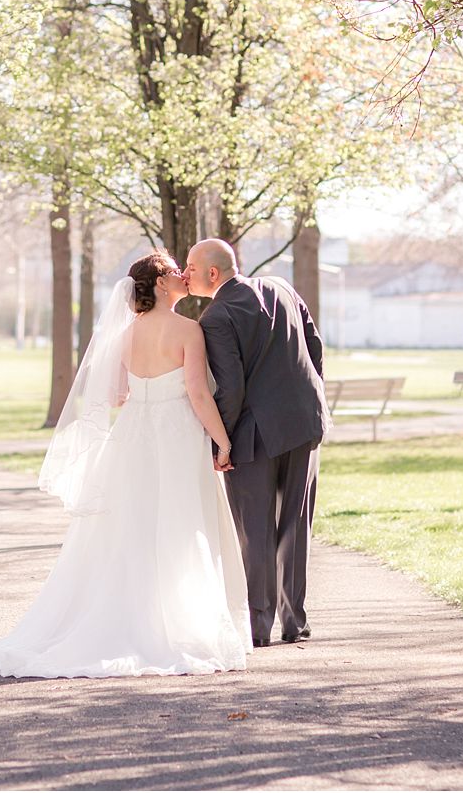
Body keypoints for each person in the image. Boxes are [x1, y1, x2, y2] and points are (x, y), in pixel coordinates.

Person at [0, 250, 251, 678]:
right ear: (161, 284)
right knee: (179, 526)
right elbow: (198, 394)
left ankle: (127, 616)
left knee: (128, 530)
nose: (183, 274)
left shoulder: (124, 337)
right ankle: (172, 625)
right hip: (176, 436)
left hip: (132, 437)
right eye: (175, 270)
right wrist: (224, 442)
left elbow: (119, 393)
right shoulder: (188, 331)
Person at [184, 238, 327, 648]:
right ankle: (294, 621)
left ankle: (257, 626)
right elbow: (314, 347)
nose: (185, 274)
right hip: (304, 422)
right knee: (297, 523)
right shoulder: (282, 287)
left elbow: (231, 389)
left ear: (213, 273)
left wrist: (221, 442)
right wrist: (312, 399)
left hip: (254, 435)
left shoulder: (216, 316)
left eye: (191, 268)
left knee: (256, 529)